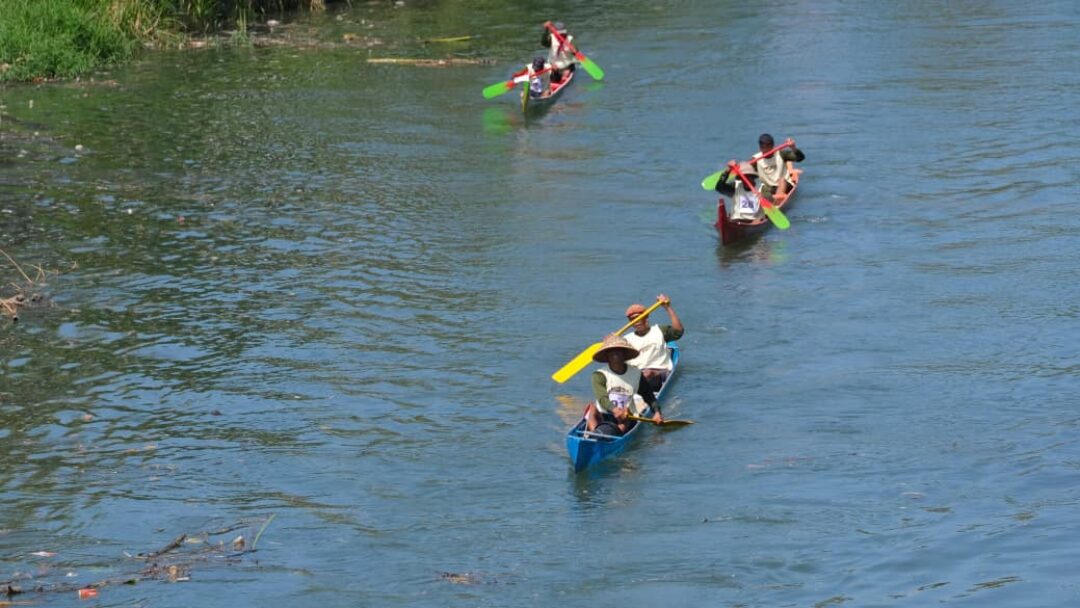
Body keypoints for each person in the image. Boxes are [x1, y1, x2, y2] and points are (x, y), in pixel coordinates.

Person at [584, 334, 661, 435]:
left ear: (624, 354)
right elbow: (602, 398)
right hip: (605, 414)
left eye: (618, 350)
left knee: (626, 417)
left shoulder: (636, 374)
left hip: (626, 416)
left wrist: (657, 412)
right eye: (611, 351)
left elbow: (648, 395)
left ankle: (613, 434)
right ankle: (595, 434)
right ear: (607, 356)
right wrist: (615, 410)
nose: (615, 353)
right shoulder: (599, 375)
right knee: (592, 408)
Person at [623, 295, 684, 392]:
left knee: (648, 373)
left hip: (659, 372)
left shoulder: (659, 331)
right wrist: (611, 342)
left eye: (639, 318)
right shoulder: (626, 339)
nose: (636, 322)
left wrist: (667, 307)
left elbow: (678, 331)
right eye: (632, 319)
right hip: (637, 374)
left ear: (646, 317)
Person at [750, 134, 805, 202]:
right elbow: (746, 172)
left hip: (785, 185)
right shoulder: (755, 159)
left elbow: (800, 158)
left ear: (772, 146)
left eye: (768, 146)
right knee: (763, 189)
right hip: (769, 187)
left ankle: (777, 202)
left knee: (782, 181)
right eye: (763, 147)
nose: (765, 149)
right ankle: (769, 201)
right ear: (760, 147)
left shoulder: (781, 154)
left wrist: (793, 147)